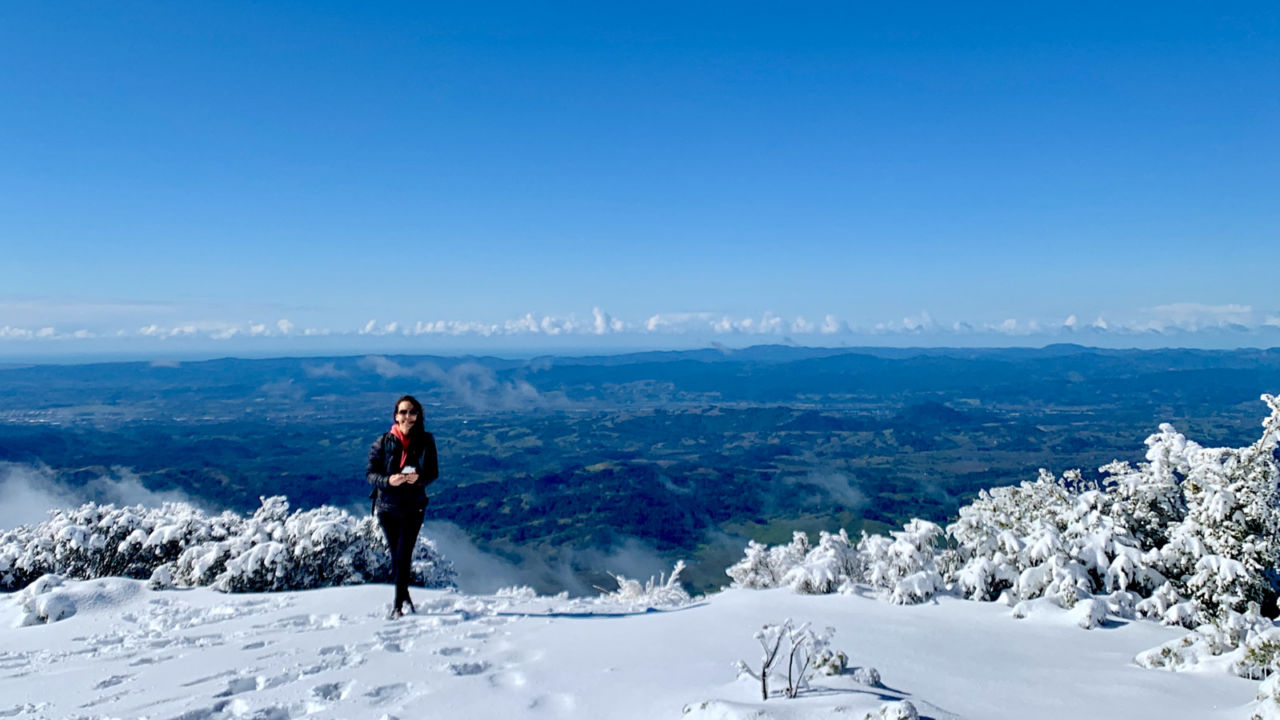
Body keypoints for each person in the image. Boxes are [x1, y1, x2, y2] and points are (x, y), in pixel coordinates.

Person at [366, 394, 439, 619]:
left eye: (412, 412)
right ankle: (404, 595)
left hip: (413, 507)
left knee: (403, 555)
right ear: (396, 416)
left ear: (418, 415)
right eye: (403, 412)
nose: (408, 416)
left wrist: (417, 479)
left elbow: (433, 473)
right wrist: (389, 481)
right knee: (397, 555)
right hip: (387, 508)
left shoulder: (426, 441)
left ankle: (397, 606)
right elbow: (370, 474)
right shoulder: (383, 442)